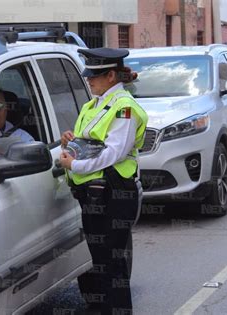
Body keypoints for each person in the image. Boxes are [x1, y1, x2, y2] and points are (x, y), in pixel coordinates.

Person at [59, 47, 148, 315]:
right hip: (94, 193)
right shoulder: (93, 104)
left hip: (114, 193)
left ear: (111, 76)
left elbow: (113, 153)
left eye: (94, 75)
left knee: (111, 263)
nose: (89, 80)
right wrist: (71, 141)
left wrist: (75, 164)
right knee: (102, 261)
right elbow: (91, 142)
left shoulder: (125, 108)